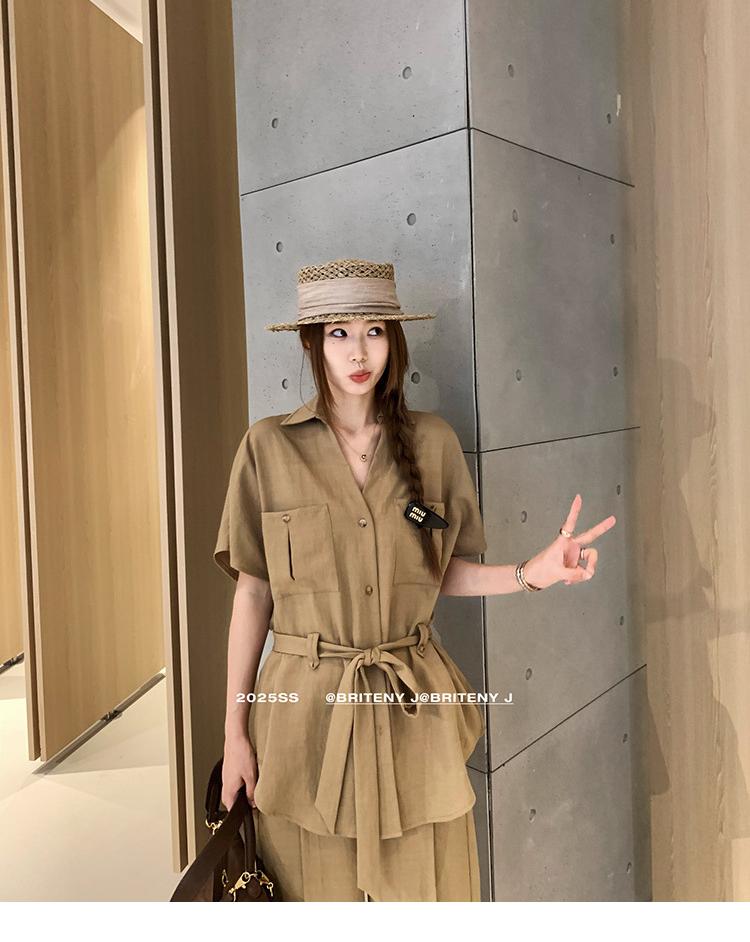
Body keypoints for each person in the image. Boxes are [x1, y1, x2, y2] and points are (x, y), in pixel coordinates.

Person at [213, 257, 616, 902]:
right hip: (303, 722)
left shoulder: (432, 445)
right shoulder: (267, 448)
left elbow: (439, 570)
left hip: (412, 714)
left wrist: (532, 573)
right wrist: (235, 732)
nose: (358, 351)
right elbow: (253, 592)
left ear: (393, 340)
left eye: (374, 330)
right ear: (312, 343)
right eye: (339, 332)